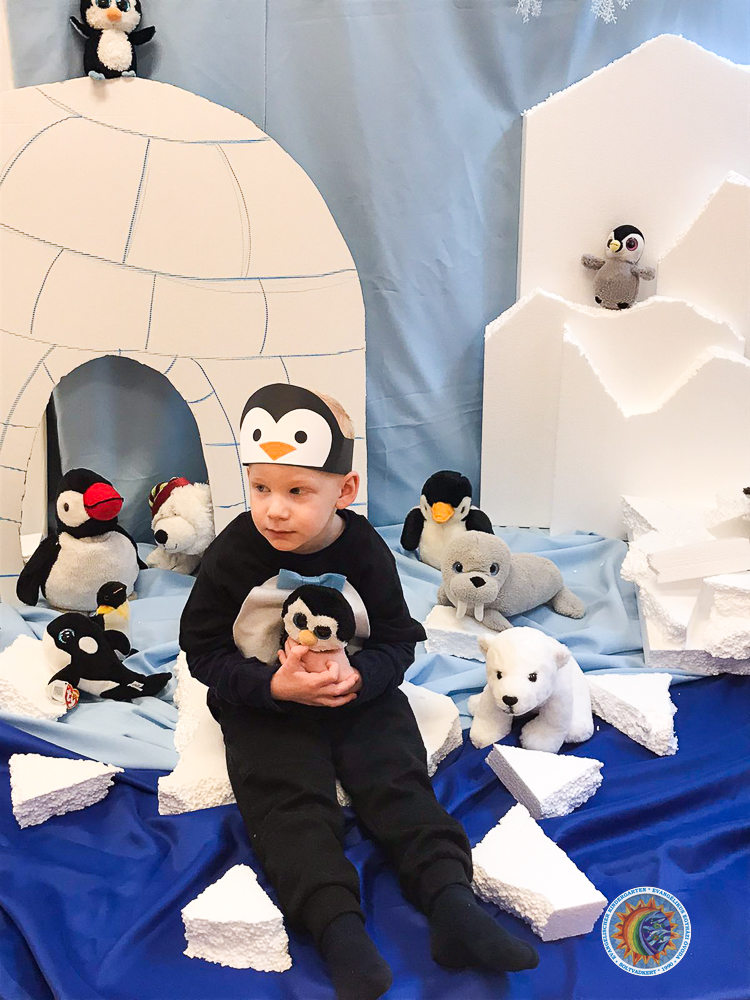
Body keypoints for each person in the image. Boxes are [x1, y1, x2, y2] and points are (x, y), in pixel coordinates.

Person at [179, 383, 539, 1000]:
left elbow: (398, 640)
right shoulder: (233, 552)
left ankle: (450, 901)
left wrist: (362, 676)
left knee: (396, 776)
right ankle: (337, 927)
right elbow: (203, 649)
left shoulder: (364, 549)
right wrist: (269, 685)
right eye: (260, 488)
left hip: (354, 690)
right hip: (264, 698)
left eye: (297, 491)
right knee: (285, 797)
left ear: (343, 490)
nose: (274, 510)